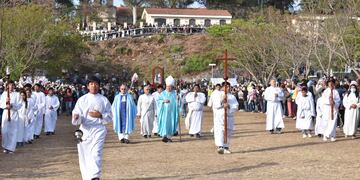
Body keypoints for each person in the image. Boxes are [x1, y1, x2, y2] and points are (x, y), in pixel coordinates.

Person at [72, 76, 113, 180]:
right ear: (87, 86)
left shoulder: (104, 100)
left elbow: (110, 115)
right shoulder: (82, 99)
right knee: (84, 154)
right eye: (91, 84)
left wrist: (100, 115)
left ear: (99, 86)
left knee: (96, 153)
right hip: (84, 130)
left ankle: (95, 176)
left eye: (96, 84)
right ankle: (87, 177)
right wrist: (76, 117)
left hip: (98, 129)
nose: (93, 86)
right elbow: (76, 113)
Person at [211, 82, 238, 154]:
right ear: (223, 87)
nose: (228, 88)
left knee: (228, 131)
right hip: (220, 115)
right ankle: (220, 146)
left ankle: (226, 146)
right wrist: (222, 100)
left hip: (229, 116)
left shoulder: (232, 96)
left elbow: (236, 106)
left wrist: (229, 106)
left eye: (229, 87)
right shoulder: (218, 94)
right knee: (220, 130)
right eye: (226, 87)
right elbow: (216, 105)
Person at [0, 80, 22, 154]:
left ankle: (11, 148)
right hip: (6, 113)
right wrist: (6, 104)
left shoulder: (17, 94)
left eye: (12, 85)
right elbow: (1, 104)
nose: (11, 87)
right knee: (5, 131)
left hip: (14, 113)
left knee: (13, 131)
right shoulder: (4, 94)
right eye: (10, 85)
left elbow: (20, 104)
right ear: (7, 86)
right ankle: (6, 146)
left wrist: (12, 105)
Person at [156, 76, 179, 143]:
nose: (169, 88)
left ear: (172, 86)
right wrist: (163, 101)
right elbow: (158, 101)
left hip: (172, 112)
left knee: (171, 123)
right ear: (166, 86)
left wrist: (178, 99)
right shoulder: (162, 93)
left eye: (170, 86)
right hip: (164, 113)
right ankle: (164, 136)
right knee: (164, 123)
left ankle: (169, 137)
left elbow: (177, 102)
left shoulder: (175, 93)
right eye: (167, 86)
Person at [322, 78, 341, 142]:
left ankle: (332, 135)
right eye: (329, 83)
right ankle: (325, 135)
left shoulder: (336, 92)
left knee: (333, 122)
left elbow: (338, 100)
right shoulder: (325, 91)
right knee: (326, 122)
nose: (331, 84)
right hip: (327, 108)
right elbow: (323, 100)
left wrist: (334, 102)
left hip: (334, 108)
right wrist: (329, 101)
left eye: (332, 83)